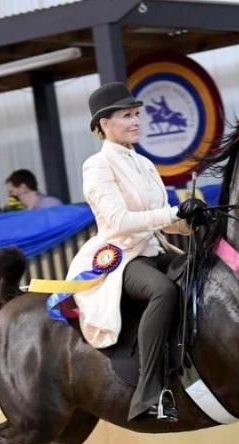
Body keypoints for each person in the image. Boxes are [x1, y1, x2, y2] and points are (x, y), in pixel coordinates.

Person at [65, 81, 206, 423]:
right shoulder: (97, 166)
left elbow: (163, 223)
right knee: (163, 291)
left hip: (156, 248)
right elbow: (118, 219)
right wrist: (173, 213)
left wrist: (192, 221)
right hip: (122, 257)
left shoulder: (144, 164)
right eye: (127, 116)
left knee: (206, 272)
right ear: (104, 125)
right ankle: (148, 392)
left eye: (137, 114)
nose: (136, 121)